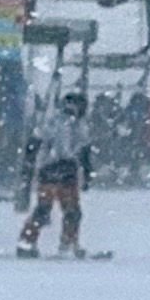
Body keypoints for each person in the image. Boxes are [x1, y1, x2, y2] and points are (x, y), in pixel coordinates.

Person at [16, 90, 93, 257]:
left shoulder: (52, 121)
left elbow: (34, 142)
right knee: (71, 211)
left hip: (49, 170)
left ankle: (27, 242)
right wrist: (87, 174)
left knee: (44, 209)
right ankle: (67, 244)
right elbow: (85, 151)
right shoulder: (76, 124)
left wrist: (28, 164)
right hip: (65, 171)